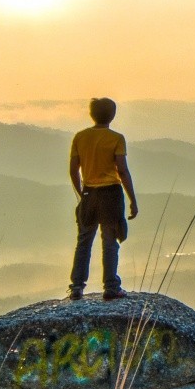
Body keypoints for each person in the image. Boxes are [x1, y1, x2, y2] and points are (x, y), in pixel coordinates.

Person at [68, 97, 138, 299]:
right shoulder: (116, 138)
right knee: (110, 241)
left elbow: (74, 170)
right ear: (113, 115)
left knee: (84, 241)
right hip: (111, 195)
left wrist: (82, 193)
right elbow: (122, 171)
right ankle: (111, 287)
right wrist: (132, 198)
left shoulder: (80, 137)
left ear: (92, 115)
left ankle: (76, 287)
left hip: (90, 193)